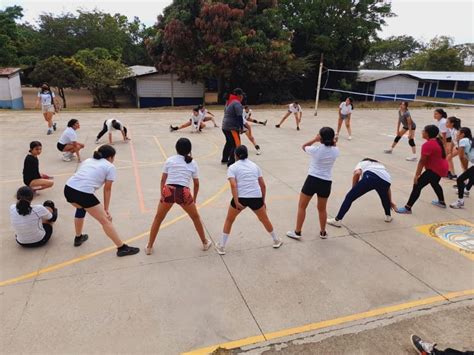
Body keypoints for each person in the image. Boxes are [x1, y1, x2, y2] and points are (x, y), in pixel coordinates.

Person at [64, 145, 140, 256]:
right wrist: (106, 209)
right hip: (82, 192)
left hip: (68, 188)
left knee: (81, 208)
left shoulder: (88, 160)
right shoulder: (109, 166)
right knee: (105, 220)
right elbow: (107, 189)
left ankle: (78, 237)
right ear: (110, 157)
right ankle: (121, 247)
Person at [146, 138, 211, 255]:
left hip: (169, 190)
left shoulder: (169, 160)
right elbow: (196, 184)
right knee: (195, 218)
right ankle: (205, 243)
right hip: (183, 192)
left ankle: (149, 246)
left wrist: (162, 194)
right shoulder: (193, 162)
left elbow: (163, 179)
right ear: (189, 150)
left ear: (176, 148)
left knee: (158, 218)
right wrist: (194, 199)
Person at [216, 145, 282, 255]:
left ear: (235, 155)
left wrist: (236, 201)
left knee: (229, 220)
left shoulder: (233, 167)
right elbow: (263, 186)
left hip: (241, 197)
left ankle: (222, 247)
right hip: (256, 196)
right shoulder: (255, 166)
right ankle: (276, 240)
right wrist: (262, 201)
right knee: (264, 219)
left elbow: (233, 185)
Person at [286, 127, 339, 240]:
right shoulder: (336, 151)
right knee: (322, 209)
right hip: (326, 182)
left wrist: (315, 139)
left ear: (321, 138)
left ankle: (298, 232)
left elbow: (304, 146)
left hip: (312, 180)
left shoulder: (316, 150)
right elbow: (333, 145)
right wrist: (331, 140)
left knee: (302, 206)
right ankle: (323, 232)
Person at [395, 125, 448, 214]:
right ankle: (441, 202)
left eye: (423, 130)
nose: (422, 132)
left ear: (427, 134)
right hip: (442, 167)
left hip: (434, 169)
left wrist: (417, 175)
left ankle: (408, 208)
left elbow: (422, 161)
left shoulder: (427, 145)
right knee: (434, 183)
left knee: (417, 186)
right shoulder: (438, 141)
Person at [327, 158, 395, 228]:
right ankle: (388, 216)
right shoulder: (380, 165)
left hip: (371, 177)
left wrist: (353, 190)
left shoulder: (362, 163)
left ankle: (337, 220)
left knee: (349, 197)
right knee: (384, 198)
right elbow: (388, 188)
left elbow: (357, 173)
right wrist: (390, 200)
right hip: (386, 181)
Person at [450, 127, 474, 209]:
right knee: (472, 176)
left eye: (458, 134)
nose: (456, 135)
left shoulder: (463, 141)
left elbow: (461, 156)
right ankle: (466, 190)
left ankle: (460, 202)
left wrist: (465, 169)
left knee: (460, 179)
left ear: (462, 134)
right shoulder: (469, 140)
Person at [221, 88, 245, 166]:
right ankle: (231, 163)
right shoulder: (236, 103)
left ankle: (224, 159)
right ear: (239, 95)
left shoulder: (229, 101)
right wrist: (241, 128)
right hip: (232, 128)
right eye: (241, 95)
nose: (242, 97)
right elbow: (239, 116)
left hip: (225, 126)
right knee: (235, 144)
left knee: (229, 143)